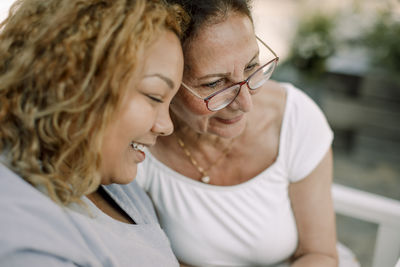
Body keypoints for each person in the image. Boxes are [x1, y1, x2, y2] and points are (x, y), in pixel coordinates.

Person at [133, 0, 342, 266]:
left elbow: (320, 254)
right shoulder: (140, 142)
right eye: (214, 83)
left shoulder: (296, 119)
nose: (246, 104)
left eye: (251, 66)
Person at [0, 0, 186, 266]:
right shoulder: (23, 237)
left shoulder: (107, 177)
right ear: (74, 83)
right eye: (154, 96)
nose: (166, 126)